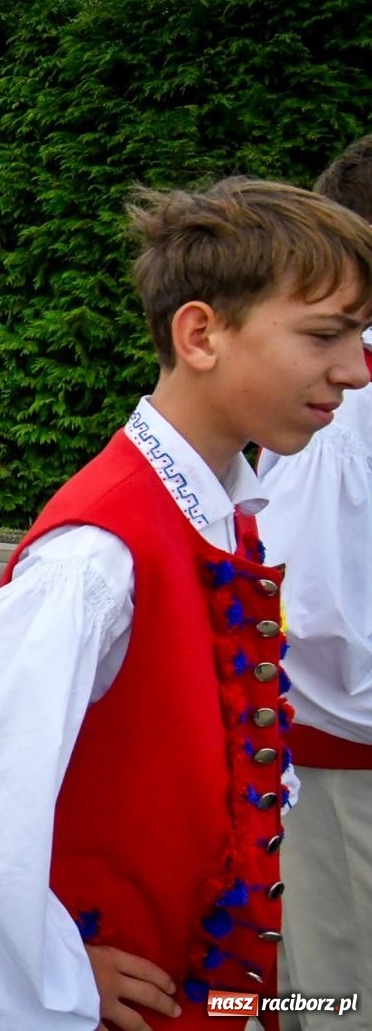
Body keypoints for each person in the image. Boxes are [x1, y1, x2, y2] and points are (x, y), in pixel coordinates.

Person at [0, 178, 372, 1031]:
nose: (354, 369)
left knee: (331, 1000)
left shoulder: (216, 508)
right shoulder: (99, 556)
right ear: (201, 334)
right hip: (146, 993)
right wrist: (49, 973)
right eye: (325, 336)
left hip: (215, 985)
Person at [252, 139, 372, 1024]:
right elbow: (305, 597)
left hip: (344, 747)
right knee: (339, 991)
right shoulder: (342, 398)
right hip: (344, 758)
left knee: (338, 988)